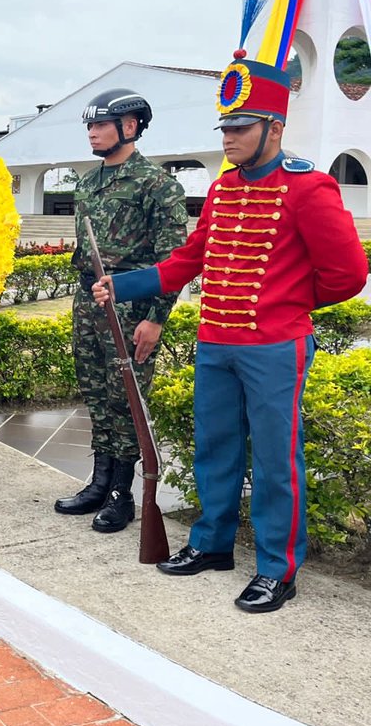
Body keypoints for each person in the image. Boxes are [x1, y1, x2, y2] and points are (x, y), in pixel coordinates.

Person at [94, 56, 367, 613]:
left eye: (242, 127)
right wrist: (122, 287)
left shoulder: (309, 188)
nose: (230, 138)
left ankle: (277, 568)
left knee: (274, 459)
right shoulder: (221, 190)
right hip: (216, 341)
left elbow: (349, 275)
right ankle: (212, 544)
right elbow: (188, 259)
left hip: (274, 346)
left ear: (275, 127)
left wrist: (285, 303)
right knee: (213, 449)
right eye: (226, 128)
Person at [53, 89, 187, 534]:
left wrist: (156, 318)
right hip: (88, 303)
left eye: (100, 125)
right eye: (89, 126)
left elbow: (173, 260)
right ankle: (98, 481)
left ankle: (122, 494)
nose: (91, 132)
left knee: (127, 398)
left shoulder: (157, 185)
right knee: (96, 394)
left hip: (132, 307)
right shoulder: (88, 183)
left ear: (129, 127)